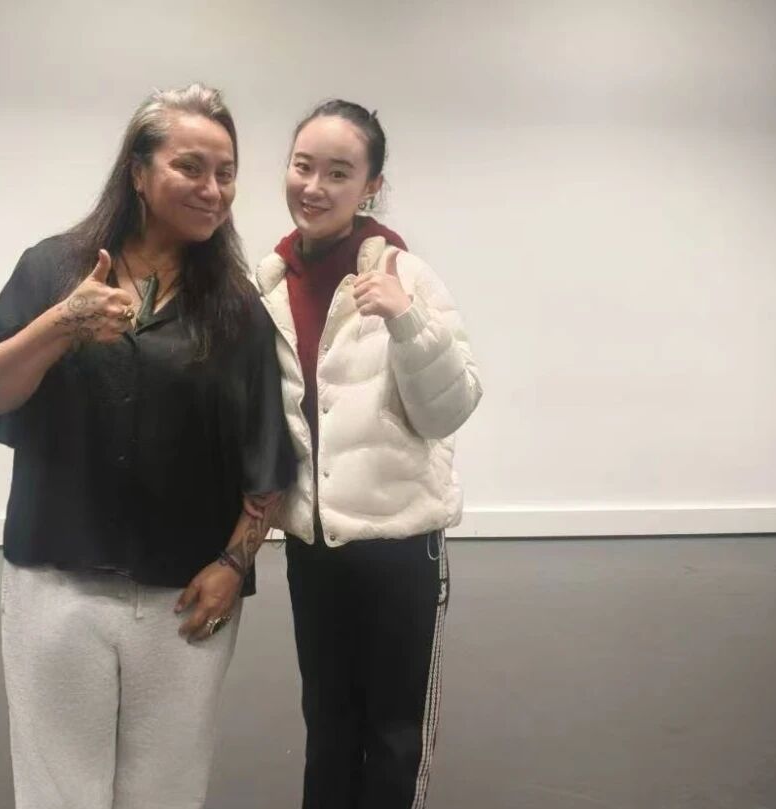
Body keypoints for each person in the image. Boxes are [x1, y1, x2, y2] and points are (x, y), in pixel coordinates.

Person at [0, 83, 295, 809]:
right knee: (58, 790)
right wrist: (62, 323)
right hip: (56, 583)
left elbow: (267, 453)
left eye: (226, 173)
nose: (212, 189)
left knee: (166, 789)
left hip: (183, 593)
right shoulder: (52, 270)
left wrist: (233, 564)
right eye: (190, 167)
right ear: (139, 172)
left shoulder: (236, 308)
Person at [254, 99, 483, 809]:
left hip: (397, 542)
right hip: (313, 545)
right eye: (303, 166)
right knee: (326, 723)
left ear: (370, 186)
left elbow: (450, 408)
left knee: (392, 731)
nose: (314, 186)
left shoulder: (407, 276)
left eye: (338, 172)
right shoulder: (269, 282)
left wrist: (408, 321)